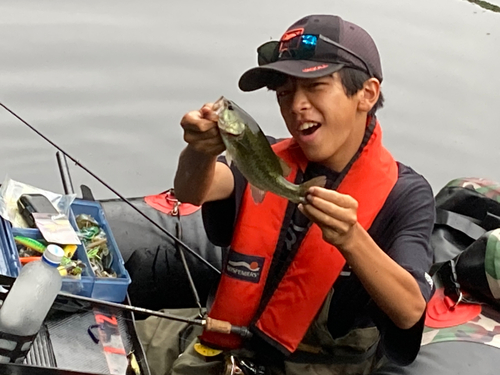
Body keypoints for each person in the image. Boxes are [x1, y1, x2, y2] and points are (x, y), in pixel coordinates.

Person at [138, 14, 435, 375]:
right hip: (223, 344)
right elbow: (191, 189)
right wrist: (200, 149)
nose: (296, 106)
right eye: (285, 92)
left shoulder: (405, 194)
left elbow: (410, 309)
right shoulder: (268, 157)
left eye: (316, 87)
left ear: (367, 94)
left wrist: (351, 238)